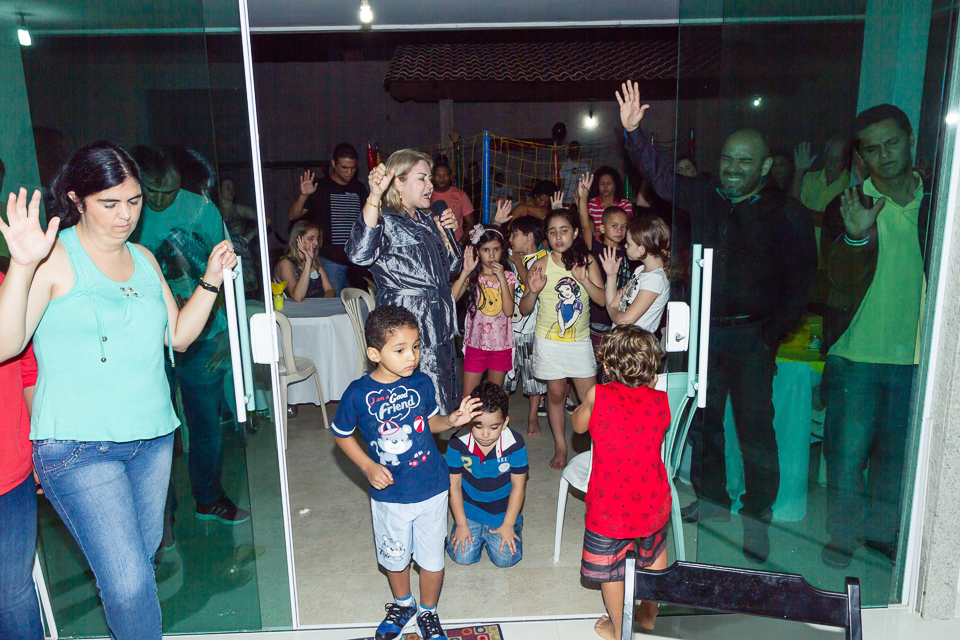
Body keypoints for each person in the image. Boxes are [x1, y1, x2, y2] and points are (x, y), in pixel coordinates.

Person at [0, 141, 235, 639]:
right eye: (110, 203)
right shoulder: (54, 258)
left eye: (133, 202)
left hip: (152, 439)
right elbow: (8, 343)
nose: (125, 215)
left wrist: (210, 281)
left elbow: (178, 336)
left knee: (137, 569)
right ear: (77, 199)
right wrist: (21, 265)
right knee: (128, 583)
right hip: (79, 446)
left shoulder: (145, 259)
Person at [617, 80, 817, 563]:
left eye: (744, 161)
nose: (732, 168)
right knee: (704, 421)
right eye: (728, 159)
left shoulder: (787, 214)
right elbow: (663, 179)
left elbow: (801, 285)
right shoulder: (706, 195)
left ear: (765, 167)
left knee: (755, 429)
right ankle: (713, 503)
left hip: (753, 337)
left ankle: (757, 519)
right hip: (706, 330)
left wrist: (770, 336)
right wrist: (634, 135)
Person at [331, 305, 481, 640]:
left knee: (431, 558)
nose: (411, 356)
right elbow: (341, 434)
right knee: (395, 557)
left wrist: (452, 420)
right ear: (374, 353)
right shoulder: (358, 393)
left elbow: (431, 422)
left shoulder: (423, 383)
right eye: (400, 350)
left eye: (415, 346)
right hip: (391, 494)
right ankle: (403, 604)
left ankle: (428, 610)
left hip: (432, 486)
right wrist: (368, 465)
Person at [819, 105, 927, 568]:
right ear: (860, 157)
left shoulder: (937, 202)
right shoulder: (847, 206)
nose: (884, 155)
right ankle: (842, 536)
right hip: (855, 356)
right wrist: (857, 238)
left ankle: (884, 534)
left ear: (910, 139)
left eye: (892, 143)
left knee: (896, 459)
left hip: (918, 356)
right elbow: (833, 285)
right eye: (872, 148)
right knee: (845, 460)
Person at [131, 145, 250, 529]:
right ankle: (159, 514)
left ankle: (209, 498)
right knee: (153, 433)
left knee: (207, 427)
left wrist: (226, 336)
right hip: (148, 340)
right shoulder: (127, 215)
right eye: (153, 191)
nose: (162, 199)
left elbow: (227, 276)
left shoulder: (202, 210)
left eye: (170, 189)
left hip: (203, 337)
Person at [572, 325, 671, 639]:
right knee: (655, 556)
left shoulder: (598, 394)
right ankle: (649, 615)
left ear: (605, 366)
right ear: (652, 367)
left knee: (612, 568)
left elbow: (577, 426)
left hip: (609, 506)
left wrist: (587, 403)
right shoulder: (661, 401)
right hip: (652, 500)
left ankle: (619, 629)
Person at [347, 149, 463, 414]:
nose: (431, 185)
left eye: (430, 178)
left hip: (439, 319)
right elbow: (358, 254)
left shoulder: (427, 220)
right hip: (407, 319)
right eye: (422, 178)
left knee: (441, 399)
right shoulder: (385, 218)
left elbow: (453, 267)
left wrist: (447, 235)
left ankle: (433, 449)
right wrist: (374, 196)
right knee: (408, 401)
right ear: (398, 182)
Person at [519, 208, 606, 470]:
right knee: (555, 395)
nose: (559, 237)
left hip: (579, 343)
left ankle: (599, 449)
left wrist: (585, 281)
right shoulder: (540, 264)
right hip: (549, 342)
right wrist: (532, 291)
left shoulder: (586, 261)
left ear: (575, 232)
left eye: (564, 230)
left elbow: (602, 300)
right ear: (546, 236)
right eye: (553, 232)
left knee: (590, 397)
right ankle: (561, 445)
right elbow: (523, 309)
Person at [446, 382, 528, 568]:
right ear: (469, 421)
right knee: (462, 557)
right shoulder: (457, 443)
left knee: (506, 560)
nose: (485, 434)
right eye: (477, 425)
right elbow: (455, 486)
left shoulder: (514, 444)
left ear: (505, 422)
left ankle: (516, 522)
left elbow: (518, 486)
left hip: (502, 513)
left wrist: (507, 524)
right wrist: (461, 524)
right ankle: (470, 528)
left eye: (494, 427)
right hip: (470, 512)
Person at [0, 295, 41, 640]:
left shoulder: (8, 289)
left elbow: (28, 370)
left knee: (12, 595)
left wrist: (41, 444)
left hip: (9, 475)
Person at [287, 143, 368, 295]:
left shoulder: (359, 188)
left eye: (353, 168)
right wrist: (304, 196)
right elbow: (293, 215)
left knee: (358, 307)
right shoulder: (321, 187)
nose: (349, 172)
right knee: (333, 304)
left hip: (356, 261)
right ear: (333, 164)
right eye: (344, 167)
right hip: (331, 260)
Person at [452, 225, 518, 397]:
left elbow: (509, 311)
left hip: (500, 345)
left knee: (494, 395)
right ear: (478, 252)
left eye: (496, 249)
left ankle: (494, 423)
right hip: (476, 344)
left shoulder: (509, 277)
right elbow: (451, 299)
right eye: (485, 250)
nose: (491, 255)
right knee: (469, 395)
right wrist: (465, 272)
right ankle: (466, 422)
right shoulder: (474, 277)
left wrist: (502, 278)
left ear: (502, 251)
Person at [503, 216, 548, 436]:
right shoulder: (510, 258)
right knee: (504, 378)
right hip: (509, 331)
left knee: (533, 379)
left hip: (531, 330)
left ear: (529, 236)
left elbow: (530, 284)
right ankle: (501, 416)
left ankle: (532, 417)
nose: (511, 239)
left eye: (515, 234)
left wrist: (519, 263)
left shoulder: (542, 259)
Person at [601, 215, 671, 332]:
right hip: (622, 341)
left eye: (628, 244)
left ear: (641, 250)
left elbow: (624, 321)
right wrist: (611, 275)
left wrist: (612, 308)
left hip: (634, 347)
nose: (625, 246)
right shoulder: (640, 270)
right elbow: (614, 302)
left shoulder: (655, 280)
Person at [274, 220, 335, 301]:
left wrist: (324, 303)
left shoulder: (315, 262)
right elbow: (297, 297)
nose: (316, 243)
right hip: (296, 311)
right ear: (298, 239)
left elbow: (330, 290)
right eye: (311, 239)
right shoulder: (286, 264)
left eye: (317, 239)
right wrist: (308, 263)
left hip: (317, 308)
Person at [792, 136, 851, 212]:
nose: (832, 163)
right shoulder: (810, 178)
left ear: (846, 161)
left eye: (837, 160)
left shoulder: (850, 185)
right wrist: (798, 171)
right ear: (824, 155)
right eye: (829, 157)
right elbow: (792, 206)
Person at [580, 166, 634, 235]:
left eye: (609, 183)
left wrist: (603, 235)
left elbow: (626, 227)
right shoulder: (591, 204)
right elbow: (586, 226)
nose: (605, 187)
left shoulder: (625, 204)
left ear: (615, 185)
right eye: (602, 184)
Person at [431, 161, 474, 242]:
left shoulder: (460, 195)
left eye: (445, 175)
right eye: (438, 175)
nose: (441, 178)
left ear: (451, 177)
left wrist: (460, 244)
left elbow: (470, 223)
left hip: (456, 242)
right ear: (432, 177)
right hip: (434, 244)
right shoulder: (427, 196)